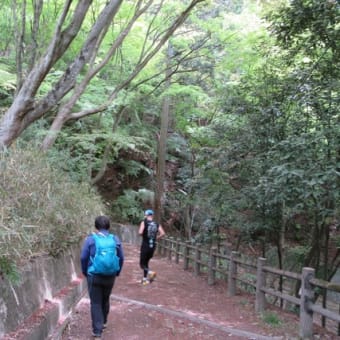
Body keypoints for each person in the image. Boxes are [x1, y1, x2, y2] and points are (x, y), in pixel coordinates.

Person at [80, 215, 124, 339]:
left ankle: (97, 332)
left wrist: (85, 271)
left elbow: (83, 257)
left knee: (95, 303)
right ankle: (104, 322)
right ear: (109, 226)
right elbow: (121, 257)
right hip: (110, 275)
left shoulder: (90, 240)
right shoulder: (115, 239)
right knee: (105, 299)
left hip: (94, 275)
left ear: (96, 226)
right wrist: (117, 271)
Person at [139, 209, 165, 285]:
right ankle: (144, 280)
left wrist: (144, 235)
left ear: (146, 215)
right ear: (152, 215)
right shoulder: (157, 224)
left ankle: (151, 273)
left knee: (142, 264)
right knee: (146, 262)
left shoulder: (144, 222)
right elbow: (163, 233)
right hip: (153, 246)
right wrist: (156, 238)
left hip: (145, 245)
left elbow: (140, 232)